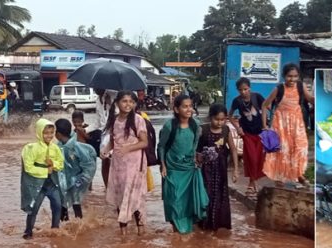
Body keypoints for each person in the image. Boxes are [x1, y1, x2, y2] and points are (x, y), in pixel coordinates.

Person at [158, 94, 209, 234]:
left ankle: (184, 235)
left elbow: (195, 145)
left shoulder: (195, 125)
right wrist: (162, 164)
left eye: (190, 106)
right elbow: (161, 146)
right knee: (174, 201)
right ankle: (177, 231)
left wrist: (196, 160)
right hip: (172, 169)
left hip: (189, 169)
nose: (189, 109)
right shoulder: (169, 126)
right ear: (176, 109)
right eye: (185, 106)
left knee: (188, 202)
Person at [99, 91, 149, 235]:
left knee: (134, 196)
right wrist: (105, 150)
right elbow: (113, 142)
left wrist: (128, 148)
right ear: (117, 103)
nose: (128, 104)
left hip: (135, 164)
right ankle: (123, 234)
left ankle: (140, 232)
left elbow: (144, 142)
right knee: (120, 196)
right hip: (118, 165)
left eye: (131, 102)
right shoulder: (114, 120)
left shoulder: (138, 120)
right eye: (124, 101)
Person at [262, 63, 314, 188]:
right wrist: (265, 125)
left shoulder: (301, 87)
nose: (292, 79)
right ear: (284, 76)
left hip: (297, 123)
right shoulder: (278, 89)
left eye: (295, 76)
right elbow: (265, 105)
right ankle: (279, 178)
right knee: (282, 151)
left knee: (301, 148)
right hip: (280, 124)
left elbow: (311, 99)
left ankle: (299, 174)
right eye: (289, 76)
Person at [20, 118, 65, 239]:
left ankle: (55, 230)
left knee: (57, 206)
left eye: (51, 133)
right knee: (33, 209)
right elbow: (28, 167)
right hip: (37, 185)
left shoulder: (55, 148)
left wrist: (53, 164)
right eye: (46, 133)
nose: (49, 136)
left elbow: (61, 163)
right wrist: (46, 170)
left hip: (51, 184)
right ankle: (28, 232)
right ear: (39, 132)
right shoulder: (31, 148)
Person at [198, 103, 239, 231]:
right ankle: (203, 224)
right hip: (205, 170)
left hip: (221, 171)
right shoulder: (203, 130)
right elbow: (194, 149)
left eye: (223, 120)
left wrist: (236, 170)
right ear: (210, 117)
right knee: (205, 194)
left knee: (220, 195)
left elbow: (233, 150)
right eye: (217, 119)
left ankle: (218, 223)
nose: (220, 122)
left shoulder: (226, 131)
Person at [229, 77, 267, 197]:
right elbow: (229, 115)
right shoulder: (237, 101)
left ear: (249, 88)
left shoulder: (257, 97)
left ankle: (253, 182)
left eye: (245, 89)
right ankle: (253, 183)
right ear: (237, 90)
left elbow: (266, 108)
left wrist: (266, 124)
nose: (243, 92)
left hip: (260, 132)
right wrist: (237, 128)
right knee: (251, 158)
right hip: (247, 133)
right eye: (241, 90)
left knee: (259, 158)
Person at [54, 118, 97, 221]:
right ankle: (67, 226)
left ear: (58, 134)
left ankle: (78, 225)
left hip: (77, 180)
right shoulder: (59, 147)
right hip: (65, 181)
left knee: (75, 200)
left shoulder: (76, 147)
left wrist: (80, 181)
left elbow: (89, 166)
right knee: (64, 202)